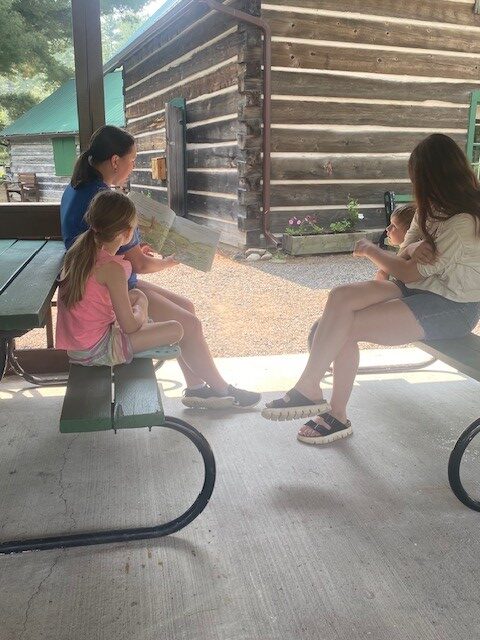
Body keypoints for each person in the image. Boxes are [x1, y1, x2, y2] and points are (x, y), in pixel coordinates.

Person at [262, 133, 480, 444]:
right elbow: (404, 254)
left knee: (343, 328)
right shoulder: (430, 209)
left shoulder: (462, 223)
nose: (416, 185)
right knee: (341, 296)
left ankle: (334, 412)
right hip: (421, 287)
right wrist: (412, 248)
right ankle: (310, 389)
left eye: (417, 177)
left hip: (454, 307)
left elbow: (406, 270)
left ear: (433, 177)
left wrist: (370, 250)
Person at [60, 125, 261, 408]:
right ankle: (220, 389)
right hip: (110, 291)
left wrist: (132, 249)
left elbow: (115, 253)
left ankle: (196, 387)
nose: (133, 166)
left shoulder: (78, 187)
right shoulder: (101, 197)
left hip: (100, 282)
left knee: (187, 307)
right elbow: (140, 265)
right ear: (115, 161)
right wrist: (169, 261)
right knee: (189, 324)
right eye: (132, 160)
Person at [56, 190, 183, 366]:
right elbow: (130, 326)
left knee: (137, 295)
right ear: (128, 232)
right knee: (176, 329)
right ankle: (136, 348)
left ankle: (140, 341)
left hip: (78, 346)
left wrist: (138, 305)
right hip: (97, 350)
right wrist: (140, 312)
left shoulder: (78, 253)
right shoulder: (112, 269)